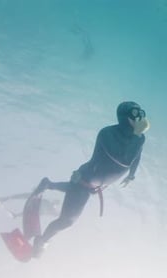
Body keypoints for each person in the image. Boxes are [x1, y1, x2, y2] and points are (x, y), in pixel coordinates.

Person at [31, 101, 150, 258]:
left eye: (141, 113)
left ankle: (48, 184)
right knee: (67, 221)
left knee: (79, 190)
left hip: (91, 184)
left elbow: (137, 156)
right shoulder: (107, 134)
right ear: (123, 116)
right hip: (85, 179)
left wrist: (131, 175)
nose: (139, 118)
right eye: (135, 114)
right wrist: (136, 136)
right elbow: (123, 157)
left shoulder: (139, 138)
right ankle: (41, 241)